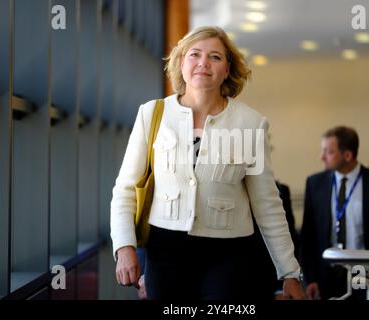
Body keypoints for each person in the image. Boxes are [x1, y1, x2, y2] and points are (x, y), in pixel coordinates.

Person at [110, 26, 304, 300]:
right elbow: (126, 188)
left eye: (215, 57)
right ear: (181, 62)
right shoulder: (152, 114)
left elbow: (268, 204)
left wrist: (290, 273)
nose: (204, 63)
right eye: (195, 54)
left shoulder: (251, 124)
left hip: (228, 256)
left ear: (227, 69)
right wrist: (124, 247)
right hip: (165, 252)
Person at [300, 126, 369, 300]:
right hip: (327, 278)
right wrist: (311, 279)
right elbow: (308, 236)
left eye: (328, 152)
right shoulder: (315, 184)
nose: (321, 157)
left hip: (368, 277)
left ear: (347, 155)